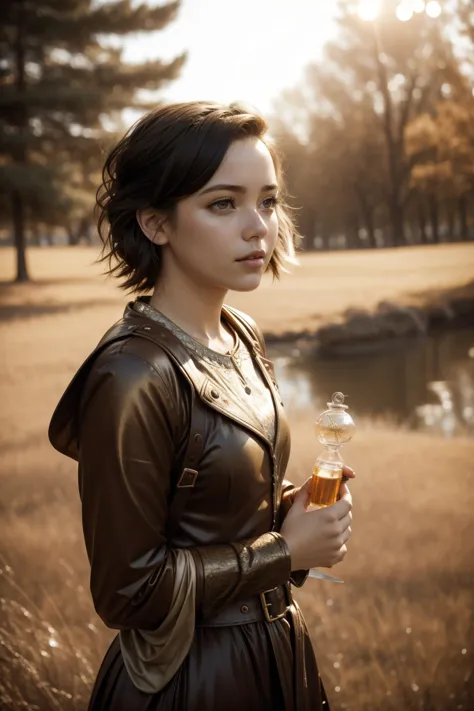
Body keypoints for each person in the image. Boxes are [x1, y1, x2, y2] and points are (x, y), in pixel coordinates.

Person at [48, 101, 354, 711]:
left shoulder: (240, 332)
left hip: (276, 653)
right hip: (190, 679)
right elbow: (126, 592)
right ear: (156, 223)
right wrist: (286, 552)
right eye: (223, 203)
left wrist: (291, 507)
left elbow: (210, 501)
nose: (257, 226)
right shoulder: (132, 375)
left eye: (267, 200)